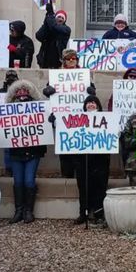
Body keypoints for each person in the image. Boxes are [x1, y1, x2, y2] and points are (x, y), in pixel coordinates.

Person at [42, 49, 96, 178]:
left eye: (74, 58)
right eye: (69, 59)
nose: (72, 61)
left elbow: (92, 97)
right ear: (64, 61)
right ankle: (67, 177)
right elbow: (49, 94)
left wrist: (91, 90)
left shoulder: (84, 76)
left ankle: (80, 177)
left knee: (80, 149)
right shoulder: (57, 76)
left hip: (80, 119)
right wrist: (47, 91)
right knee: (65, 151)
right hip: (63, 119)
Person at [5, 79, 47, 224]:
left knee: (29, 180)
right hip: (16, 151)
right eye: (18, 91)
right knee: (18, 181)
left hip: (33, 151)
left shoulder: (39, 108)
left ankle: (28, 211)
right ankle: (19, 211)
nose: (22, 94)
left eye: (25, 91)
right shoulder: (7, 111)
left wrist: (50, 119)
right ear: (14, 94)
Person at [73, 96, 111, 226]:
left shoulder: (106, 119)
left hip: (100, 159)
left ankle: (99, 214)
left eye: (93, 102)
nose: (91, 105)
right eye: (88, 103)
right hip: (83, 158)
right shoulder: (77, 119)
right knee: (83, 186)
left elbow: (114, 133)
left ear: (98, 105)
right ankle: (83, 212)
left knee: (100, 187)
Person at [0, 70, 18, 177]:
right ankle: (9, 169)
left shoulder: (20, 92)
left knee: (15, 148)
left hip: (17, 124)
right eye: (9, 77)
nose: (11, 79)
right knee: (7, 149)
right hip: (4, 124)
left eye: (13, 77)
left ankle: (15, 169)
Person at [36, 2, 71, 69]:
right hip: (45, 62)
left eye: (62, 18)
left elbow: (55, 28)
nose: (60, 19)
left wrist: (50, 14)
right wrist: (46, 21)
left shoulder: (66, 30)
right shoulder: (50, 26)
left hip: (58, 63)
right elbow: (38, 36)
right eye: (58, 17)